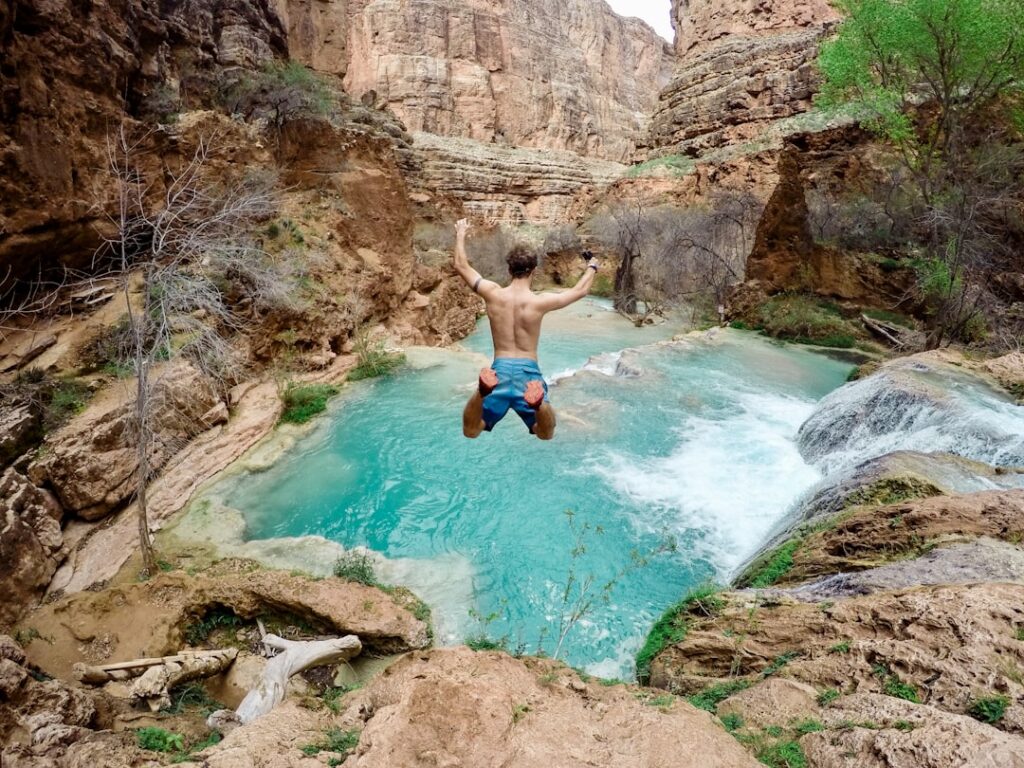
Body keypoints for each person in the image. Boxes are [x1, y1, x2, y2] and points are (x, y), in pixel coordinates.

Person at [452, 218, 600, 440]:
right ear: (534, 270)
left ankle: (482, 392)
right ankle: (538, 404)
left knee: (471, 431)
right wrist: (593, 266)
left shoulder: (492, 293)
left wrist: (461, 233)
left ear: (509, 269)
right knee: (545, 433)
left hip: (499, 370)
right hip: (528, 372)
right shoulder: (539, 302)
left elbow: (461, 266)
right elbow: (580, 291)